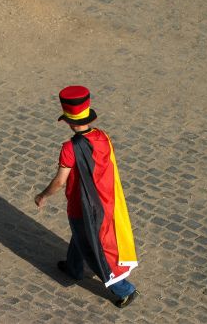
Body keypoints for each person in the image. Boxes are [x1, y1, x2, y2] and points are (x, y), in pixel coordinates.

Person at [34, 86, 139, 308]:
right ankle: (73, 268)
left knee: (94, 248)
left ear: (69, 122)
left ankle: (124, 289)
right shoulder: (102, 136)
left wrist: (43, 195)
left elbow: (60, 181)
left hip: (83, 206)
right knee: (81, 236)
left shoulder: (69, 148)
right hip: (104, 200)